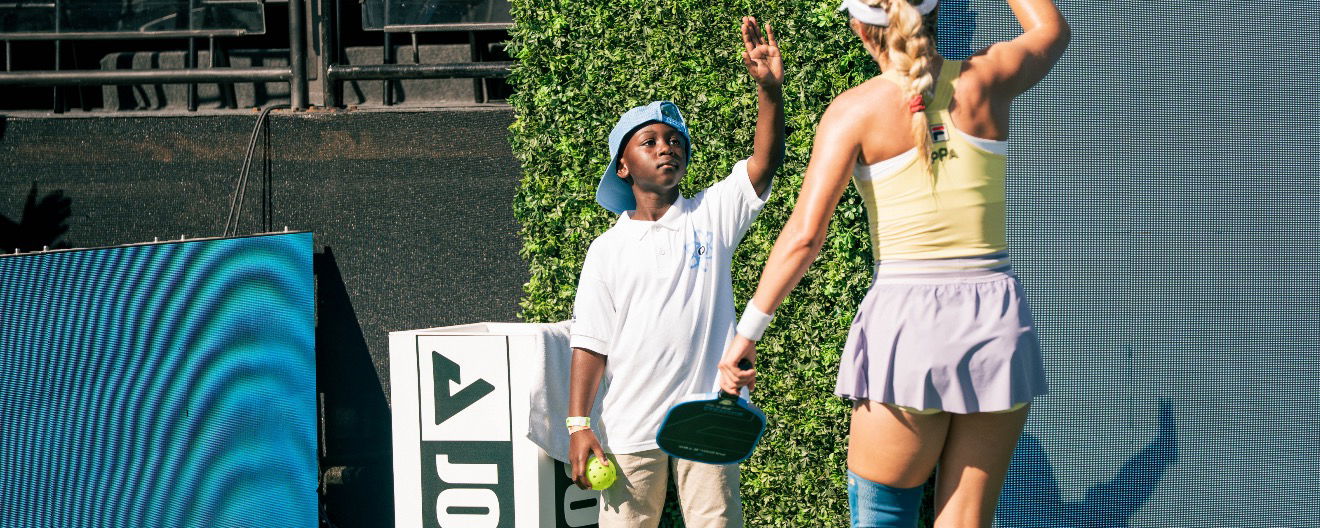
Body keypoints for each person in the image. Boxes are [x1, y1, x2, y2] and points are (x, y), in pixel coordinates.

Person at [717, 1, 1069, 527]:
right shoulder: (986, 80)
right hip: (997, 322)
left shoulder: (853, 111)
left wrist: (746, 333)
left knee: (883, 517)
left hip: (907, 330)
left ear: (860, 27)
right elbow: (1050, 29)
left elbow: (805, 237)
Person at [565, 17, 785, 528]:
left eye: (675, 139)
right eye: (650, 141)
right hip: (628, 431)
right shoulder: (607, 250)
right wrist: (579, 424)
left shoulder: (713, 214)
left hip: (709, 421)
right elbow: (590, 344)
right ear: (623, 166)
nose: (667, 146)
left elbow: (765, 161)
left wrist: (768, 91)